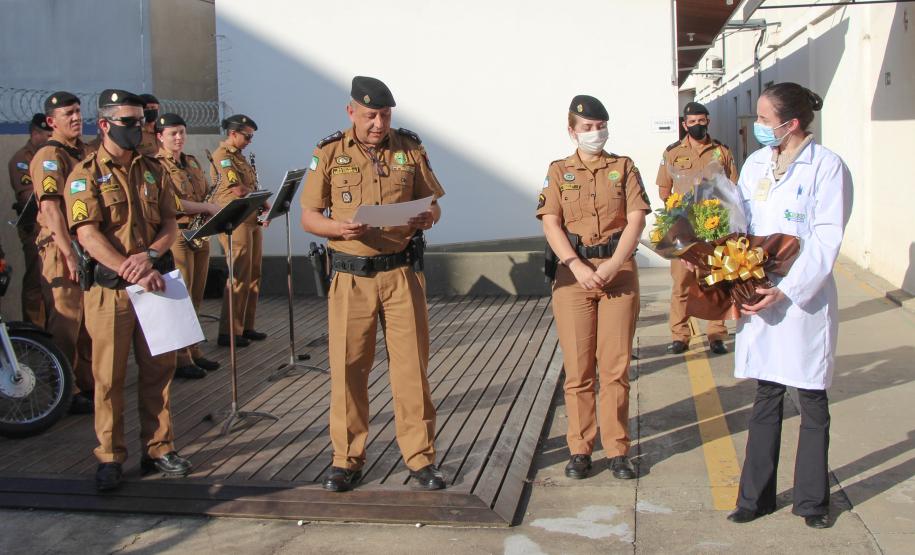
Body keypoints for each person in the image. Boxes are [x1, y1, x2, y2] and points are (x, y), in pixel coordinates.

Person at [300, 76, 446, 492]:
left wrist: (426, 218)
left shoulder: (410, 147)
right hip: (351, 276)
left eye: (384, 115)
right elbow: (309, 216)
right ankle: (346, 459)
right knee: (348, 369)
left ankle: (420, 459)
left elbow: (433, 204)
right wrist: (339, 229)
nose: (378, 124)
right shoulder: (329, 152)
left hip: (401, 273)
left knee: (411, 369)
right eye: (369, 116)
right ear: (351, 113)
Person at [725, 83, 851, 529]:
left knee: (811, 397)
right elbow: (738, 220)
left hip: (802, 301)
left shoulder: (828, 167)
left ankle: (813, 503)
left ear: (790, 123)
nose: (758, 127)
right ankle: (753, 498)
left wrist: (788, 290)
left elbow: (826, 237)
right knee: (766, 393)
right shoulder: (757, 162)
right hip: (759, 294)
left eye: (762, 119)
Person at [65, 89, 192, 492]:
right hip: (111, 292)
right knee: (109, 377)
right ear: (104, 125)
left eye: (142, 121)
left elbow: (170, 222)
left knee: (160, 371)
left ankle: (158, 448)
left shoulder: (153, 169)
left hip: (154, 282)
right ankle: (109, 456)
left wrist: (151, 255)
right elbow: (87, 234)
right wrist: (127, 267)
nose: (140, 129)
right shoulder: (83, 174)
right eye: (129, 122)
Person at [537, 95, 651, 481]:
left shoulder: (624, 166)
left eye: (600, 125)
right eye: (587, 127)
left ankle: (617, 449)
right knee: (579, 370)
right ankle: (580, 448)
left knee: (615, 368)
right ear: (572, 131)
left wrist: (616, 264)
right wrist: (575, 264)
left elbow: (636, 218)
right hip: (573, 278)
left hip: (618, 273)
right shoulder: (558, 171)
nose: (595, 132)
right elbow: (551, 221)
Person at [29, 91, 95, 414]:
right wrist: (69, 254)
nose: (76, 117)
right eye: (68, 113)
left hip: (84, 244)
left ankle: (85, 384)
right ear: (52, 121)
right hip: (61, 246)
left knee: (86, 324)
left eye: (79, 111)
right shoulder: (50, 155)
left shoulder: (81, 151)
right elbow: (51, 209)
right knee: (66, 322)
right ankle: (63, 389)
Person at [656, 101, 738, 355]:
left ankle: (716, 333)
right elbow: (663, 190)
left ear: (708, 121)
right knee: (681, 283)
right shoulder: (672, 153)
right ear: (684, 124)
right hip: (683, 229)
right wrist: (678, 211)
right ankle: (680, 335)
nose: (697, 126)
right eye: (692, 122)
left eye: (701, 121)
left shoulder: (722, 151)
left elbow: (733, 188)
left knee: (715, 281)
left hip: (714, 228)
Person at [155, 113, 221, 379]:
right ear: (160, 136)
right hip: (179, 235)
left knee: (196, 295)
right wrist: (205, 207)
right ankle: (181, 358)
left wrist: (207, 208)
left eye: (182, 132)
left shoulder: (191, 162)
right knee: (181, 299)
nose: (179, 137)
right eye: (173, 133)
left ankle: (193, 350)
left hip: (199, 233)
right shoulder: (157, 166)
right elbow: (172, 203)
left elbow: (205, 190)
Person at [209, 114, 268, 348]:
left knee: (253, 274)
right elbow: (238, 189)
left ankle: (246, 325)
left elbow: (250, 186)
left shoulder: (241, 157)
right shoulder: (222, 157)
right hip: (235, 220)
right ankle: (229, 331)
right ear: (233, 134)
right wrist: (260, 198)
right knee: (239, 275)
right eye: (247, 135)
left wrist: (261, 203)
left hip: (250, 217)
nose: (250, 140)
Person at [7, 113, 51, 326]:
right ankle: (34, 328)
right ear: (35, 134)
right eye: (46, 133)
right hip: (34, 227)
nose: (51, 137)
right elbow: (28, 195)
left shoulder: (53, 155)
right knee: (36, 280)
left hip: (55, 227)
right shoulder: (22, 159)